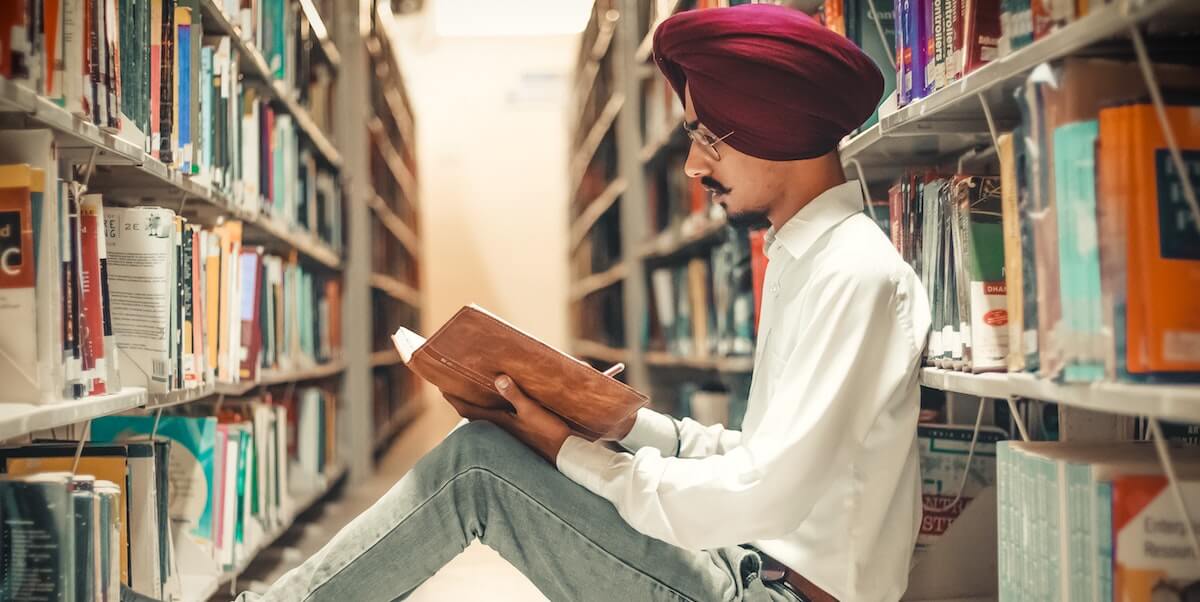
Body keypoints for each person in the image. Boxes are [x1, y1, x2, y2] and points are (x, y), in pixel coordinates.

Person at [236, 4, 930, 601]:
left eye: (708, 139)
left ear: (775, 130)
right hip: (747, 561)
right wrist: (612, 423)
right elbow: (761, 454)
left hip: (771, 590)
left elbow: (759, 493)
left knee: (478, 469)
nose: (693, 167)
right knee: (488, 443)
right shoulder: (804, 258)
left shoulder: (853, 274)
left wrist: (567, 449)